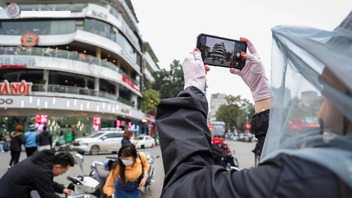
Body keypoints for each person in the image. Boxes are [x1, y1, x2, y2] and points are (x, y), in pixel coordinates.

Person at [155, 11, 352, 197]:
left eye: (338, 64)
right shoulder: (337, 169)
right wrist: (261, 92)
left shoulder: (312, 178)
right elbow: (281, 157)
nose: (321, 77)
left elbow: (185, 189)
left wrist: (192, 91)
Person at [0, 149, 75, 198]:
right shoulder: (42, 171)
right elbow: (48, 195)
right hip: (9, 194)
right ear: (57, 167)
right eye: (63, 172)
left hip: (9, 189)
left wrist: (62, 189)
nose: (61, 174)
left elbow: (46, 182)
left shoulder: (41, 162)